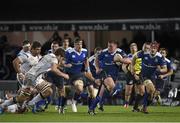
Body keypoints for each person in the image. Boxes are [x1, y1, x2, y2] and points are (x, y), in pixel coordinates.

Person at [88, 40, 131, 115]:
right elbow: (97, 59)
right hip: (104, 73)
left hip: (114, 75)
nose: (109, 48)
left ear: (115, 46)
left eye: (111, 46)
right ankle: (116, 91)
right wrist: (97, 68)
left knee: (100, 95)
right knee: (112, 87)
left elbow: (129, 61)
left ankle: (91, 109)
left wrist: (120, 60)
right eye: (108, 46)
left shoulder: (119, 52)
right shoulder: (104, 52)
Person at [131, 41, 167, 113]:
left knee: (150, 95)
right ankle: (147, 105)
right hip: (143, 75)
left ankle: (143, 107)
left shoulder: (159, 57)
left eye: (154, 48)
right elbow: (134, 57)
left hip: (152, 77)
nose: (153, 50)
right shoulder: (144, 53)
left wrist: (161, 70)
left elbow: (165, 69)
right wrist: (132, 68)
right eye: (151, 48)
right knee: (150, 89)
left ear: (157, 49)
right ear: (150, 48)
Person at [65, 38, 95, 113]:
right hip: (72, 75)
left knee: (91, 90)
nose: (80, 46)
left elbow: (86, 60)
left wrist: (88, 69)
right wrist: (67, 65)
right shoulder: (69, 52)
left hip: (81, 73)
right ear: (74, 45)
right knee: (79, 88)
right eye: (78, 44)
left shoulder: (84, 51)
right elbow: (64, 62)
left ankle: (90, 109)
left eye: (81, 44)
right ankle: (73, 101)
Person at [123, 43, 138, 108]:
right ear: (130, 48)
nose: (133, 48)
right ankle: (126, 103)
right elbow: (123, 66)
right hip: (130, 74)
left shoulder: (139, 55)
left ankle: (136, 104)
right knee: (128, 90)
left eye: (134, 47)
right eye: (131, 47)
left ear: (136, 48)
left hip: (138, 74)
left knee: (138, 90)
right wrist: (127, 72)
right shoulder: (128, 56)